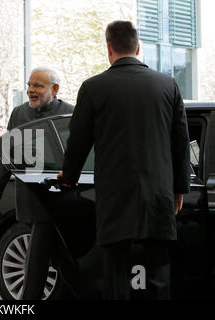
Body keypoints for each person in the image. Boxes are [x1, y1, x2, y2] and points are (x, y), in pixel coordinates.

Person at [58, 21, 190, 300]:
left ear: (108, 48)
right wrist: (179, 188)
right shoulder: (168, 85)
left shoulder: (93, 87)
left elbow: (78, 141)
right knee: (158, 271)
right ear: (138, 47)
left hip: (114, 196)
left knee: (116, 273)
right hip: (158, 195)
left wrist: (68, 177)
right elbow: (180, 142)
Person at [0, 67, 74, 299]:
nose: (31, 90)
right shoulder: (19, 114)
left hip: (62, 200)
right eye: (29, 85)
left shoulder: (71, 114)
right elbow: (7, 154)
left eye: (38, 86)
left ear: (55, 89)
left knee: (53, 261)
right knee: (40, 261)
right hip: (31, 199)